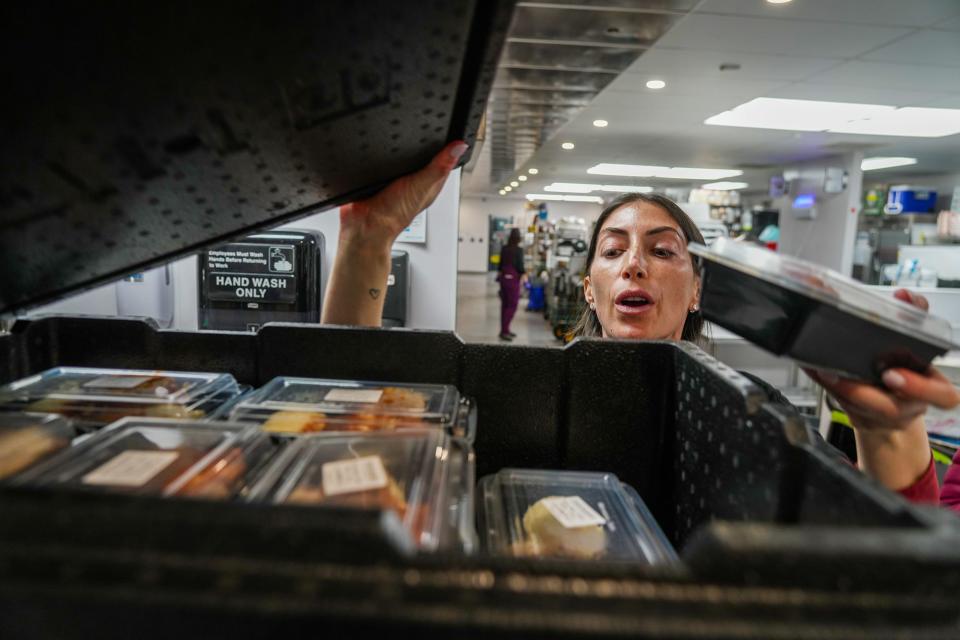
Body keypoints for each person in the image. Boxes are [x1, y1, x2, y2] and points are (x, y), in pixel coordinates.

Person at [321, 141, 960, 507]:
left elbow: (877, 558)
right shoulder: (516, 388)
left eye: (661, 251)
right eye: (613, 250)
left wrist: (887, 429)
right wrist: (368, 242)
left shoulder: (755, 413)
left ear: (697, 289)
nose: (634, 265)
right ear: (592, 290)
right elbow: (350, 426)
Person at [497, 228, 526, 341]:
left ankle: (505, 330)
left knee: (505, 305)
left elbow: (500, 265)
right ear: (518, 238)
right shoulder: (518, 250)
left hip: (503, 279)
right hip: (513, 279)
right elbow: (520, 266)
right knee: (512, 305)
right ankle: (505, 331)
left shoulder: (504, 248)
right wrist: (523, 274)